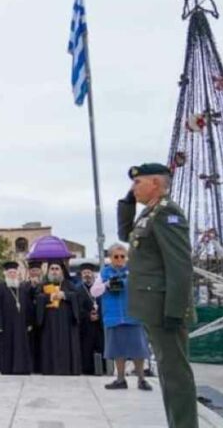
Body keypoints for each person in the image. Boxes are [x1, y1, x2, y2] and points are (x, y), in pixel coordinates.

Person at [119, 163, 198, 428]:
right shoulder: (148, 215)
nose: (133, 187)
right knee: (167, 372)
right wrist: (127, 202)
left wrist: (176, 311)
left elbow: (179, 264)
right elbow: (124, 234)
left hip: (165, 308)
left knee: (176, 375)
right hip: (154, 307)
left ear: (155, 183)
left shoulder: (167, 214)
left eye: (137, 183)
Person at [91, 243, 152, 391]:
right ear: (110, 258)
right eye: (115, 256)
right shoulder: (104, 272)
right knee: (118, 350)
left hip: (133, 315)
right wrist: (107, 284)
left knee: (138, 349)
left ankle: (141, 379)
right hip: (113, 316)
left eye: (122, 256)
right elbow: (94, 291)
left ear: (126, 257)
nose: (119, 259)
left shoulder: (133, 272)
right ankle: (120, 379)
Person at [35, 260, 82, 375]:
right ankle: (49, 369)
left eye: (57, 269)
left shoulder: (69, 284)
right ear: (48, 271)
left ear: (61, 271)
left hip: (66, 324)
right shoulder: (43, 285)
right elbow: (37, 298)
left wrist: (65, 295)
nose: (54, 272)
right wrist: (48, 297)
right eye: (52, 269)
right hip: (49, 323)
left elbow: (77, 296)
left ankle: (67, 369)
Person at [0, 261, 34, 375]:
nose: (12, 275)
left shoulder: (22, 289)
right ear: (5, 274)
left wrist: (29, 322)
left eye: (14, 273)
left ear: (17, 274)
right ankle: (7, 368)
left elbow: (28, 307)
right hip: (6, 325)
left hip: (21, 325)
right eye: (10, 273)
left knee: (21, 346)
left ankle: (22, 368)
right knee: (7, 346)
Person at [76, 262, 106, 375]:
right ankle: (87, 370)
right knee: (86, 348)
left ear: (93, 274)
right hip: (85, 325)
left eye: (89, 272)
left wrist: (99, 315)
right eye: (84, 273)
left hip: (99, 324)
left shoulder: (100, 288)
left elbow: (104, 304)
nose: (87, 275)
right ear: (81, 275)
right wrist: (88, 315)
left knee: (101, 345)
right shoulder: (77, 289)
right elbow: (77, 307)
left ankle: (103, 368)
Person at [21, 262, 44, 373]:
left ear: (40, 271)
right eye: (32, 270)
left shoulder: (45, 284)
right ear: (29, 272)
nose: (35, 272)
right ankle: (31, 366)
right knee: (30, 344)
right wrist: (32, 286)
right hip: (29, 320)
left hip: (43, 319)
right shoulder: (24, 285)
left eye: (36, 270)